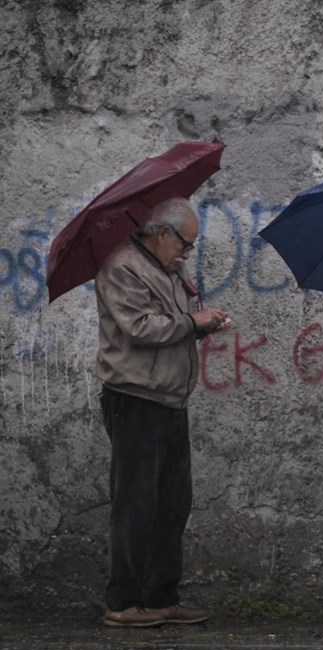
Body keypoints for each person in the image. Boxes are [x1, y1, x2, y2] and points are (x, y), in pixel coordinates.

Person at [95, 197, 229, 627]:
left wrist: (201, 324)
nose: (188, 253)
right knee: (135, 503)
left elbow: (172, 325)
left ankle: (160, 596)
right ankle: (123, 601)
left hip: (170, 399)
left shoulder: (168, 268)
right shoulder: (122, 267)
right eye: (185, 244)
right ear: (162, 234)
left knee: (173, 503)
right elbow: (140, 328)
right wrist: (194, 323)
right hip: (136, 400)